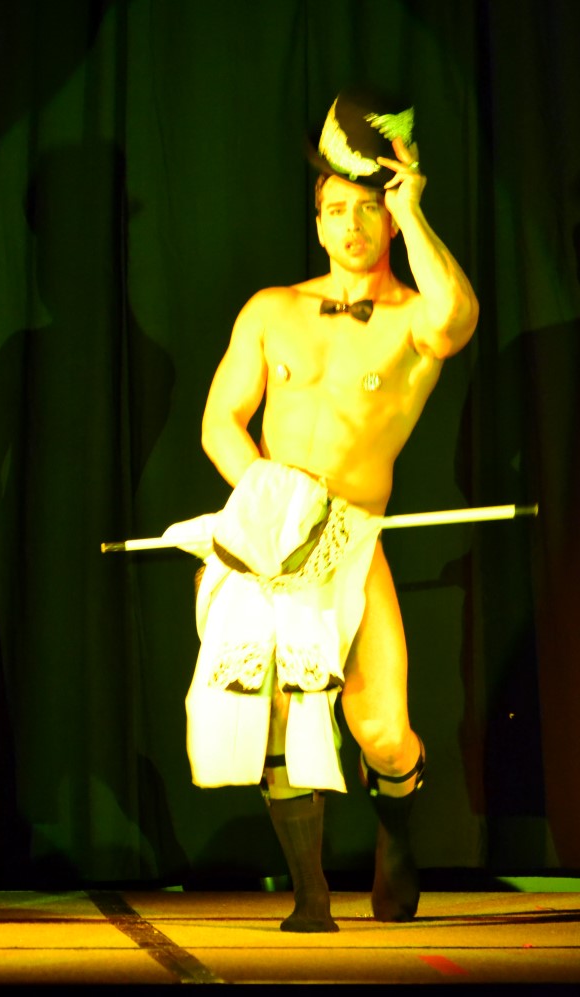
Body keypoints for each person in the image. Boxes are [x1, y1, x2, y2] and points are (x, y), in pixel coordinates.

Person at [190, 89, 479, 932]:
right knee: (274, 716)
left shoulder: (415, 318)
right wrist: (266, 495)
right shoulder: (271, 309)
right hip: (264, 545)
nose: (352, 225)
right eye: (336, 211)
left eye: (369, 209)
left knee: (382, 730)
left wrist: (412, 205)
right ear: (316, 224)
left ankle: (397, 831)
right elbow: (220, 421)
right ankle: (309, 892)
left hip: (352, 541)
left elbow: (457, 320)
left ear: (388, 220)